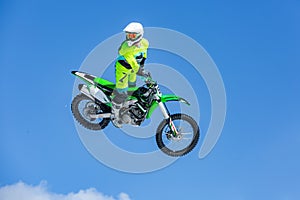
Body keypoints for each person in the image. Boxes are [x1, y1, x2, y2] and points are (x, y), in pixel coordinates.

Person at [111, 22, 150, 127]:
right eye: (128, 35)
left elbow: (144, 54)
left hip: (133, 71)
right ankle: (115, 115)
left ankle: (126, 109)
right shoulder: (126, 47)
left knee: (132, 89)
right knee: (122, 92)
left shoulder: (145, 43)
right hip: (123, 69)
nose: (129, 37)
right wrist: (140, 71)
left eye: (132, 35)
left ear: (139, 34)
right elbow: (132, 61)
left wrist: (142, 67)